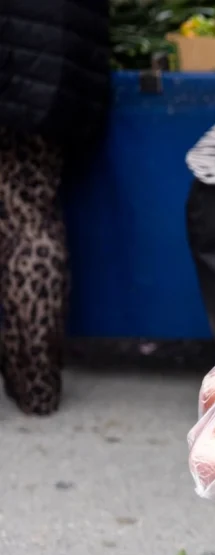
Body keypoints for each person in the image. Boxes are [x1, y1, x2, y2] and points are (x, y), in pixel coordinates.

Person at [0, 0, 111, 415]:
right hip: (60, 60)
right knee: (32, 212)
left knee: (24, 212)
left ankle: (28, 374)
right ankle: (37, 383)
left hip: (16, 54)